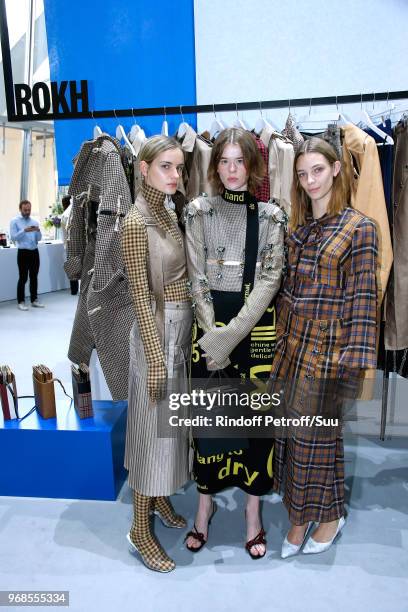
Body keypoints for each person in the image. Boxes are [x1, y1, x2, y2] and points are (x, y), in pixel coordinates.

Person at [268, 138, 378, 557]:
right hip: (292, 346)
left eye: (317, 170)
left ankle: (316, 520)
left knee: (315, 439)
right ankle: (315, 514)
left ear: (335, 168)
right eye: (302, 173)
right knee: (295, 439)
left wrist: (352, 370)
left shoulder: (359, 228)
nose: (309, 180)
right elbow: (286, 294)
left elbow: (363, 303)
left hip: (330, 350)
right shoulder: (297, 230)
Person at [184, 127, 285, 558]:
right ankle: (203, 510)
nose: (230, 169)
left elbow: (270, 279)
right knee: (209, 427)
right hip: (207, 334)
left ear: (253, 165)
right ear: (214, 166)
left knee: (256, 431)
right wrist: (214, 337)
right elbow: (196, 278)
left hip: (254, 330)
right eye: (223, 161)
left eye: (238, 161)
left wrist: (231, 335)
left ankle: (252, 515)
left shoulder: (270, 217)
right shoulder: (197, 211)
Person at [121, 135, 192, 573]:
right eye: (165, 167)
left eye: (180, 167)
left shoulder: (169, 210)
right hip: (156, 336)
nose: (175, 175)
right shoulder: (135, 222)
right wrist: (155, 358)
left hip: (178, 332)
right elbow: (141, 298)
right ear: (144, 169)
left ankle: (161, 498)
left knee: (170, 432)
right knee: (151, 434)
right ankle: (138, 529)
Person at [10, 200, 44, 311]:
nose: (27, 212)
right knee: (23, 278)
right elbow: (13, 237)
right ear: (20, 209)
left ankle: (34, 300)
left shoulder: (34, 221)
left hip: (34, 252)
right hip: (23, 252)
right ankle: (21, 302)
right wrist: (24, 230)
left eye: (29, 209)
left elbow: (38, 239)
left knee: (34, 277)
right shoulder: (14, 221)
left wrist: (38, 231)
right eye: (25, 210)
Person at [60, 195, 79, 295]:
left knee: (72, 266)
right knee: (77, 265)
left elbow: (63, 234)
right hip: (74, 242)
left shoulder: (64, 215)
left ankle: (74, 290)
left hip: (68, 244)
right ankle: (76, 289)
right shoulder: (70, 214)